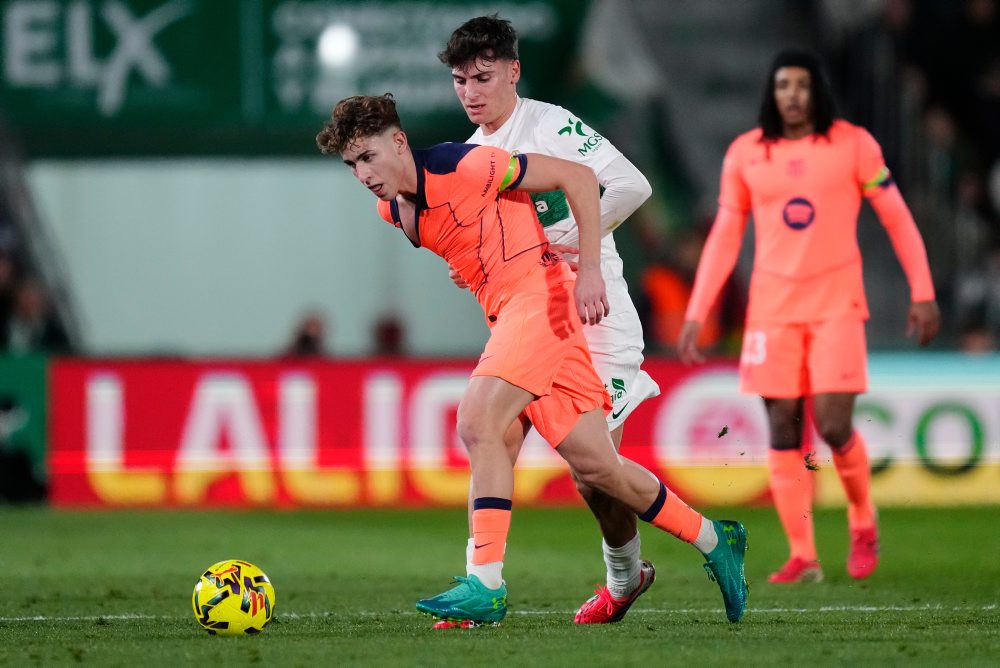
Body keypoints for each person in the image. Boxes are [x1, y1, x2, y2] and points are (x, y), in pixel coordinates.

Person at [316, 93, 748, 626]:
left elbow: (578, 177)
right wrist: (471, 264)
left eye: (369, 156)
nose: (363, 174)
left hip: (540, 302)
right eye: (351, 164)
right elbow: (477, 232)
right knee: (597, 467)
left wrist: (589, 267)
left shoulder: (466, 163)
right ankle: (716, 539)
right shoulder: (393, 211)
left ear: (399, 142)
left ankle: (484, 585)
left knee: (480, 422)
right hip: (521, 316)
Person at [678, 50, 940, 584]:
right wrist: (698, 310)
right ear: (771, 94)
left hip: (836, 305)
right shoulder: (747, 153)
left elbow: (897, 217)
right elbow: (725, 236)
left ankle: (862, 519)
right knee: (782, 427)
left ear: (818, 90)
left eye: (802, 84)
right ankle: (803, 555)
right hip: (772, 310)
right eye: (783, 85)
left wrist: (923, 290)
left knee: (835, 424)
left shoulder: (853, 144)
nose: (792, 95)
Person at [438, 15, 662, 624]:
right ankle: (481, 585)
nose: (471, 92)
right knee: (493, 437)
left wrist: (569, 249)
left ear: (513, 72)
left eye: (483, 77)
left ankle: (626, 577)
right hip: (535, 321)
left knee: (595, 476)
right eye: (460, 81)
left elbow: (631, 186)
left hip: (597, 314)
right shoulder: (470, 157)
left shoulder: (550, 125)